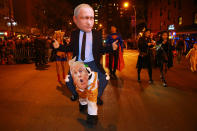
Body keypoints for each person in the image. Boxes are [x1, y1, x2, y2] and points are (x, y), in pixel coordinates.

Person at [65, 4, 118, 125]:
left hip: (92, 64)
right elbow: (70, 47)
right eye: (84, 18)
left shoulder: (97, 34)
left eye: (91, 18)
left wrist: (111, 48)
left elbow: (101, 49)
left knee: (102, 81)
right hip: (78, 64)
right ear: (76, 20)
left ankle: (92, 111)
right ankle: (82, 101)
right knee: (69, 82)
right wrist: (58, 47)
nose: (88, 21)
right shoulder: (74, 33)